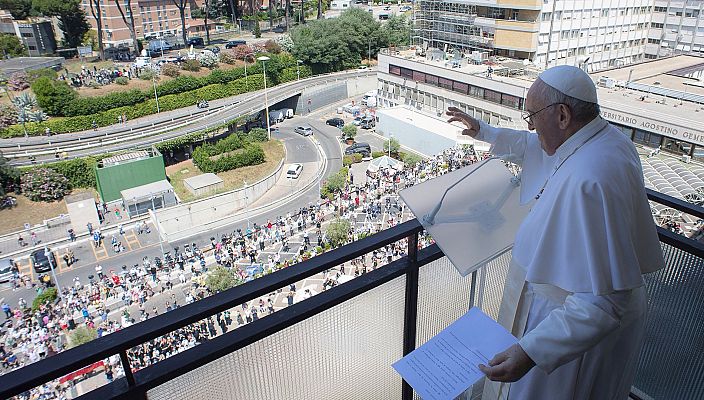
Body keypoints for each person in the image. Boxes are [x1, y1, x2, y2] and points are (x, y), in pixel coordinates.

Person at [446, 65, 664, 400]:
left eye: (531, 115)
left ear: (562, 115)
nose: (530, 126)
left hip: (569, 328)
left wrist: (532, 351)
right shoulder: (598, 140)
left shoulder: (593, 177)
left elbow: (604, 300)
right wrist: (484, 131)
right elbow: (535, 146)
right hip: (567, 313)